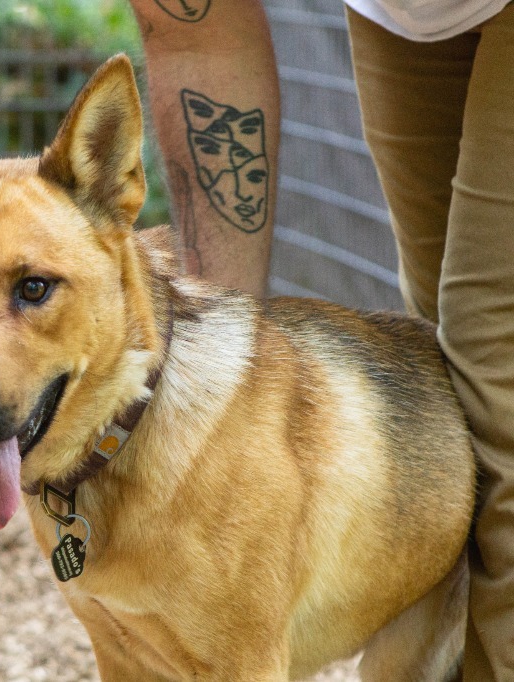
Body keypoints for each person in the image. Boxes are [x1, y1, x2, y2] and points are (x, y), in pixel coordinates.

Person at [127, 0, 514, 677]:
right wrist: (229, 370)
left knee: (495, 362)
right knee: (447, 363)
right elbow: (200, 37)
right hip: (407, 17)